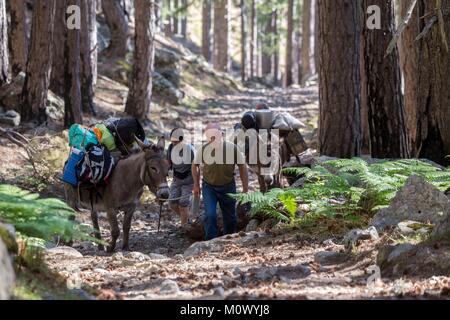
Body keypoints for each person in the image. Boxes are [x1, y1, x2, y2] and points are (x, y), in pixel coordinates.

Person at [192, 123, 249, 240]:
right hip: (209, 187)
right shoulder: (204, 149)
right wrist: (196, 184)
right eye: (210, 137)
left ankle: (229, 239)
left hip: (228, 186)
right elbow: (194, 166)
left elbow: (243, 167)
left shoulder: (232, 148)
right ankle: (210, 241)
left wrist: (245, 189)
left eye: (215, 136)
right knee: (210, 215)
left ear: (222, 134)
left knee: (230, 218)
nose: (213, 140)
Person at [167, 128, 195, 226]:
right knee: (172, 203)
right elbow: (168, 164)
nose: (174, 144)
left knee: (183, 204)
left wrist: (196, 184)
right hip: (176, 179)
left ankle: (184, 227)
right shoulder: (170, 148)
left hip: (188, 180)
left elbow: (196, 167)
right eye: (173, 141)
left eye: (176, 142)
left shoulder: (190, 150)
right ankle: (186, 219)